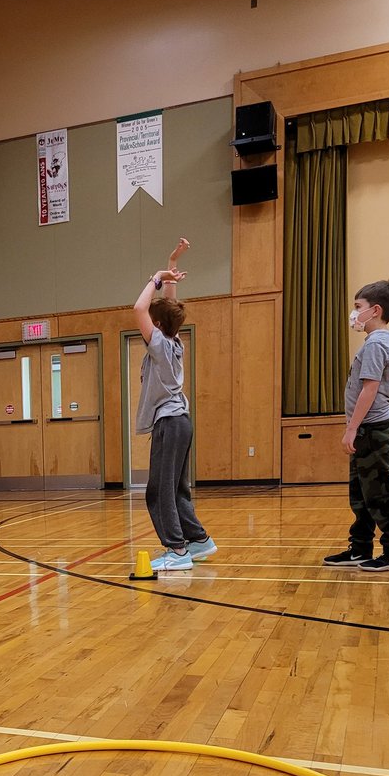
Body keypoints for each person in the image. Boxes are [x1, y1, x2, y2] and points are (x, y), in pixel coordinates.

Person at [132, 238, 216, 571]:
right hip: (181, 421)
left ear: (159, 327)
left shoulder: (161, 346)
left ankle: (177, 551)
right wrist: (170, 265)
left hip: (170, 423)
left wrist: (155, 277)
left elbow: (139, 309)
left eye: (153, 323)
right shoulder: (174, 338)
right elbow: (169, 309)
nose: (147, 325)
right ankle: (198, 541)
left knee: (158, 490)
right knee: (176, 486)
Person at [323, 280, 389, 571]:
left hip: (371, 428)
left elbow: (369, 389)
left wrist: (351, 428)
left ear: (375, 310)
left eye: (357, 307)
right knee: (361, 491)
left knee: (380, 491)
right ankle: (360, 548)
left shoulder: (375, 344)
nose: (353, 313)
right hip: (367, 428)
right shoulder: (384, 340)